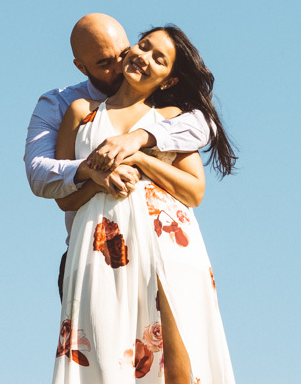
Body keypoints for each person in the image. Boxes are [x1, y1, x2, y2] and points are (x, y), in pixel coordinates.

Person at [52, 25, 236, 384]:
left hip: (167, 245)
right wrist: (98, 177)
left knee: (178, 359)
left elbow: (194, 191)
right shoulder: (81, 112)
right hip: (100, 249)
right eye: (144, 46)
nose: (144, 57)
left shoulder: (170, 118)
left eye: (159, 58)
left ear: (168, 80)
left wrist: (139, 158)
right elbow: (63, 198)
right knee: (104, 357)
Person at [25, 14, 213, 299]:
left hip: (163, 247)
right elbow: (40, 173)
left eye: (123, 53)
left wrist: (136, 141)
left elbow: (204, 126)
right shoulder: (64, 105)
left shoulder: (167, 107)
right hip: (94, 251)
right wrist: (93, 171)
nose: (120, 66)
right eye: (103, 63)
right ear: (81, 66)